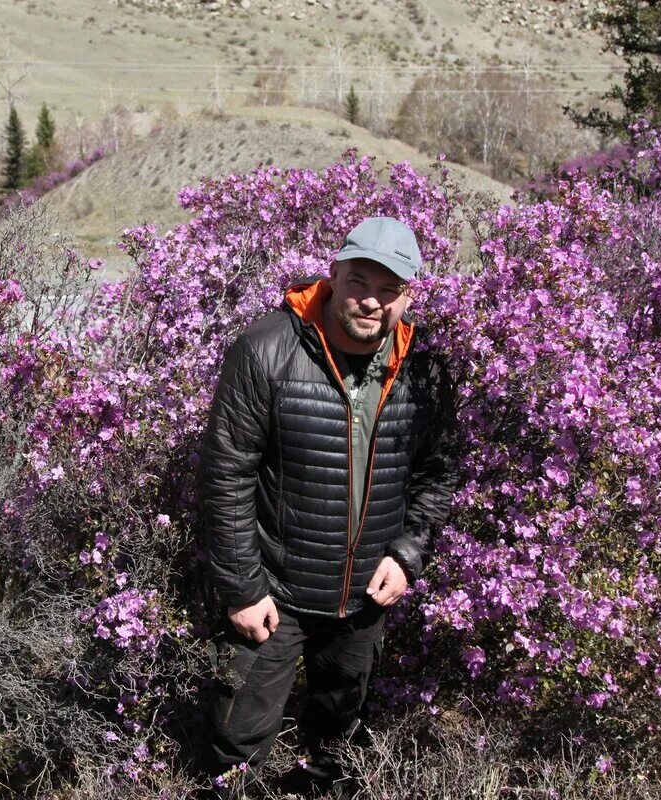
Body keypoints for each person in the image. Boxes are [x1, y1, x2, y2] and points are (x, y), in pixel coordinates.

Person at [198, 217, 460, 796]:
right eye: (359, 280)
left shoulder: (424, 370)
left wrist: (409, 551)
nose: (371, 300)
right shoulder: (266, 348)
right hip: (275, 593)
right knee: (236, 741)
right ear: (334, 274)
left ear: (407, 296)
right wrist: (243, 587)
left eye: (389, 289)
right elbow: (225, 474)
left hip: (366, 597)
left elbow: (438, 473)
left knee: (337, 743)